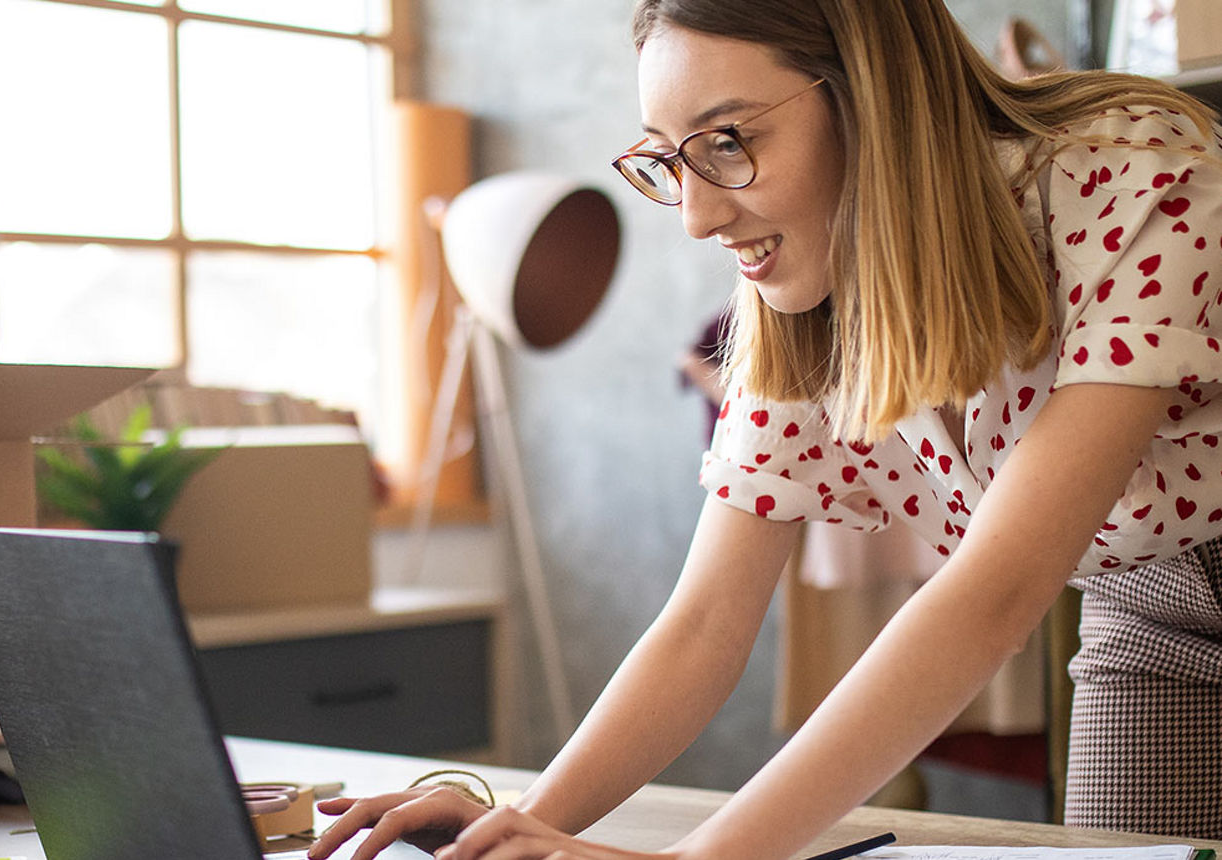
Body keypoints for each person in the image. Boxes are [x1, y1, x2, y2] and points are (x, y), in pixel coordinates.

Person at [308, 1, 1222, 857]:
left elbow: (997, 593)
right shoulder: (803, 304)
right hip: (1150, 611)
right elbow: (707, 619)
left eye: (730, 141)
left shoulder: (1132, 171)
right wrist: (516, 829)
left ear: (869, 93)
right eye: (671, 160)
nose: (699, 215)